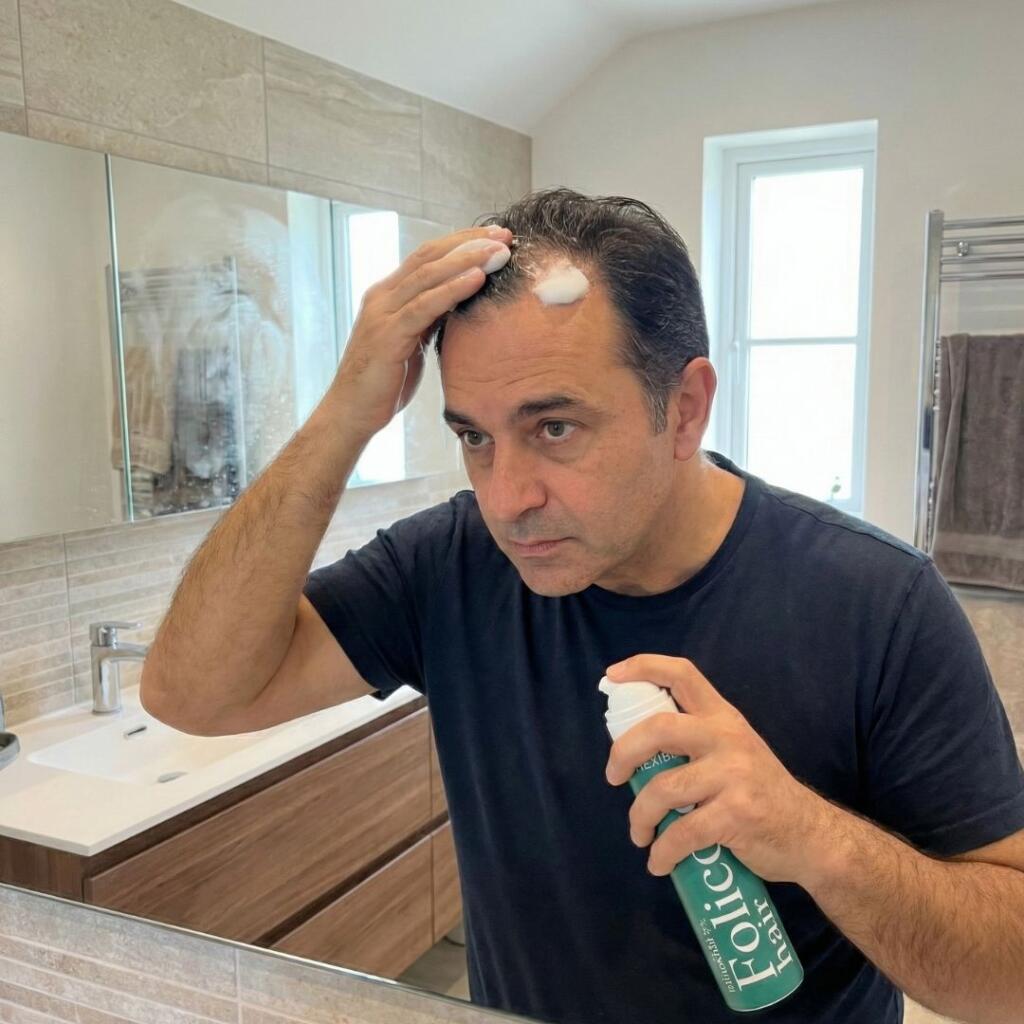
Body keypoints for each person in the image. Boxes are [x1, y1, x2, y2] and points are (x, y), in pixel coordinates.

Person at [141, 188, 1024, 1024]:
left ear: (685, 409)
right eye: (475, 437)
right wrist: (343, 415)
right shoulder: (450, 564)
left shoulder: (876, 604)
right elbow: (194, 695)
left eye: (554, 428)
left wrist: (817, 839)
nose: (506, 499)